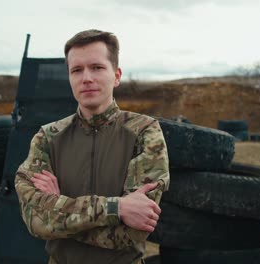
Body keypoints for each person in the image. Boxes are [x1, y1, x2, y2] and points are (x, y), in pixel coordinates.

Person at [15, 29, 170, 264]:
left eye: (97, 67)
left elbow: (133, 232)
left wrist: (59, 210)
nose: (86, 77)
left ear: (116, 76)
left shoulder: (144, 132)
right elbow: (37, 221)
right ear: (69, 78)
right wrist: (116, 209)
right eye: (76, 70)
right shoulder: (47, 137)